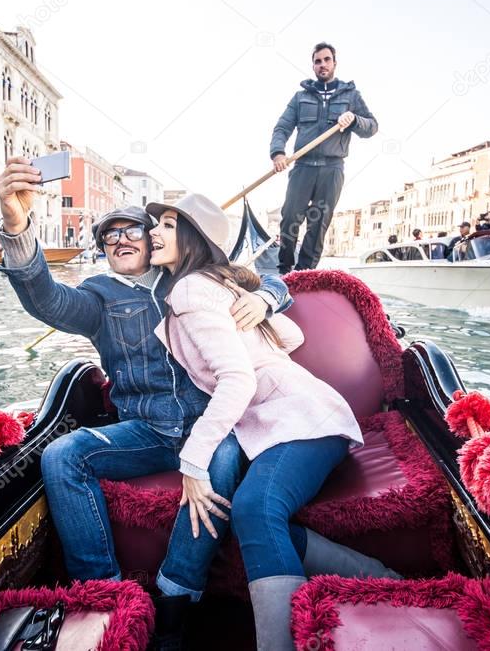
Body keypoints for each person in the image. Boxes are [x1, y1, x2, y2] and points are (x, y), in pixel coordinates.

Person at [0, 157, 293, 647]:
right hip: (147, 433)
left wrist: (265, 300)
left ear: (151, 238)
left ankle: (176, 596)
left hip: (211, 425)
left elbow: (275, 280)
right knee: (61, 455)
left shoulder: (190, 276)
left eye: (130, 229)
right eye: (109, 237)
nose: (120, 241)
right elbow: (44, 297)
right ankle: (104, 594)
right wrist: (15, 223)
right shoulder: (98, 298)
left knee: (219, 464)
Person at [147, 193, 400, 650]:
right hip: (304, 419)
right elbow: (293, 335)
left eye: (166, 224)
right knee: (255, 514)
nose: (153, 232)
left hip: (302, 421)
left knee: (254, 508)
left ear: (193, 237)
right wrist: (259, 305)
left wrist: (192, 461)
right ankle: (381, 578)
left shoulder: (189, 290)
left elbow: (237, 379)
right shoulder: (218, 286)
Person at [269, 42, 377, 274]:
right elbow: (282, 127)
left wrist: (355, 119)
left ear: (334, 64)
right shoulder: (300, 97)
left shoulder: (351, 96)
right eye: (318, 61)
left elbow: (372, 127)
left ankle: (304, 273)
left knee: (318, 225)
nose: (322, 64)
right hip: (303, 167)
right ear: (313, 66)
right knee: (289, 218)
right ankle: (284, 270)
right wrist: (278, 153)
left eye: (327, 60)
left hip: (332, 168)